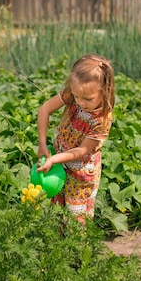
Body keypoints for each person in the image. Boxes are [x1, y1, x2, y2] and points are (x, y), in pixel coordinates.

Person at [36, 54, 115, 224]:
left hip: (81, 173)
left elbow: (81, 151)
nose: (80, 102)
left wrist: (54, 159)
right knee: (56, 208)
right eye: (77, 96)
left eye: (88, 99)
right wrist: (42, 144)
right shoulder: (73, 94)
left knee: (75, 215)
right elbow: (44, 110)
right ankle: (58, 245)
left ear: (104, 91)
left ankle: (77, 248)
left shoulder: (101, 119)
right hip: (59, 162)